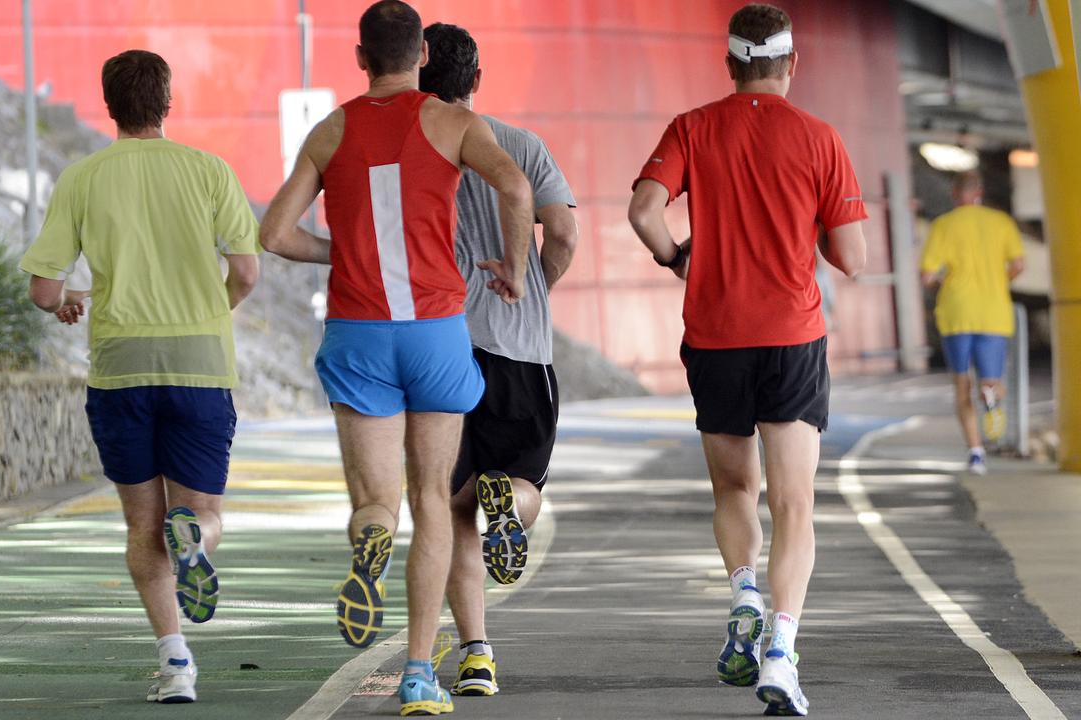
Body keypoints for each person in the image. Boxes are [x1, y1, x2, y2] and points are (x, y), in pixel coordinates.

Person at [260, 1, 533, 715]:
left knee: (377, 501)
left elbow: (275, 234)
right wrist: (510, 261)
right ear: (420, 58)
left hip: (360, 332)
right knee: (434, 501)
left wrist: (342, 251)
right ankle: (419, 673)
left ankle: (372, 538)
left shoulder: (330, 130)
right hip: (435, 331)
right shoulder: (453, 123)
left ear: (359, 59)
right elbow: (515, 185)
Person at [627, 4, 867, 716]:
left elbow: (644, 210)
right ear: (793, 64)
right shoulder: (821, 138)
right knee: (795, 504)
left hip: (714, 337)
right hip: (791, 338)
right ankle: (784, 656)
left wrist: (677, 259)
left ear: (728, 65)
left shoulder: (692, 128)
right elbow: (851, 258)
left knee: (735, 490)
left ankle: (743, 595)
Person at [19, 49, 260, 705]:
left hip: (121, 367)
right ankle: (198, 542)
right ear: (167, 101)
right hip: (200, 365)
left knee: (140, 525)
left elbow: (44, 290)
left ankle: (176, 663)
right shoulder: (209, 171)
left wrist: (69, 298)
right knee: (200, 514)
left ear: (109, 105)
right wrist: (213, 311)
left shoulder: (84, 177)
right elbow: (245, 272)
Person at [417, 21, 578, 699]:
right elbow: (564, 232)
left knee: (450, 509)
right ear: (475, 81)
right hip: (519, 348)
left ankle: (477, 652)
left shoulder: (415, 152)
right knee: (523, 481)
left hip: (439, 344)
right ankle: (508, 502)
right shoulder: (522, 145)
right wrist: (535, 281)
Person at [920, 172, 1026, 475]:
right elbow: (1018, 265)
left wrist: (943, 281)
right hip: (993, 311)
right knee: (991, 379)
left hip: (956, 312)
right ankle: (991, 396)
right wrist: (997, 283)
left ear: (955, 193)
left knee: (961, 383)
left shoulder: (943, 225)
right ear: (979, 192)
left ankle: (976, 453)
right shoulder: (1001, 222)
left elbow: (927, 276)